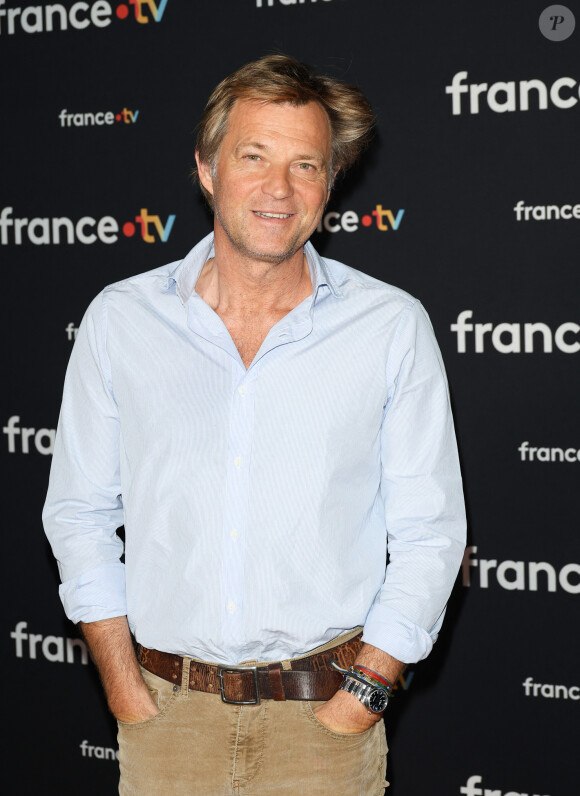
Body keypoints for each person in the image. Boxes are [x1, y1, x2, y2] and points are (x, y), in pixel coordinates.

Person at [43, 54, 466, 796]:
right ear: (207, 169)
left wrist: (362, 698)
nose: (279, 189)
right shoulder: (121, 319)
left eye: (307, 164)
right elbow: (78, 513)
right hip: (166, 721)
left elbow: (432, 534)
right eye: (254, 157)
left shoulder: (390, 326)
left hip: (325, 730)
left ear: (330, 185)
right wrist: (123, 688)